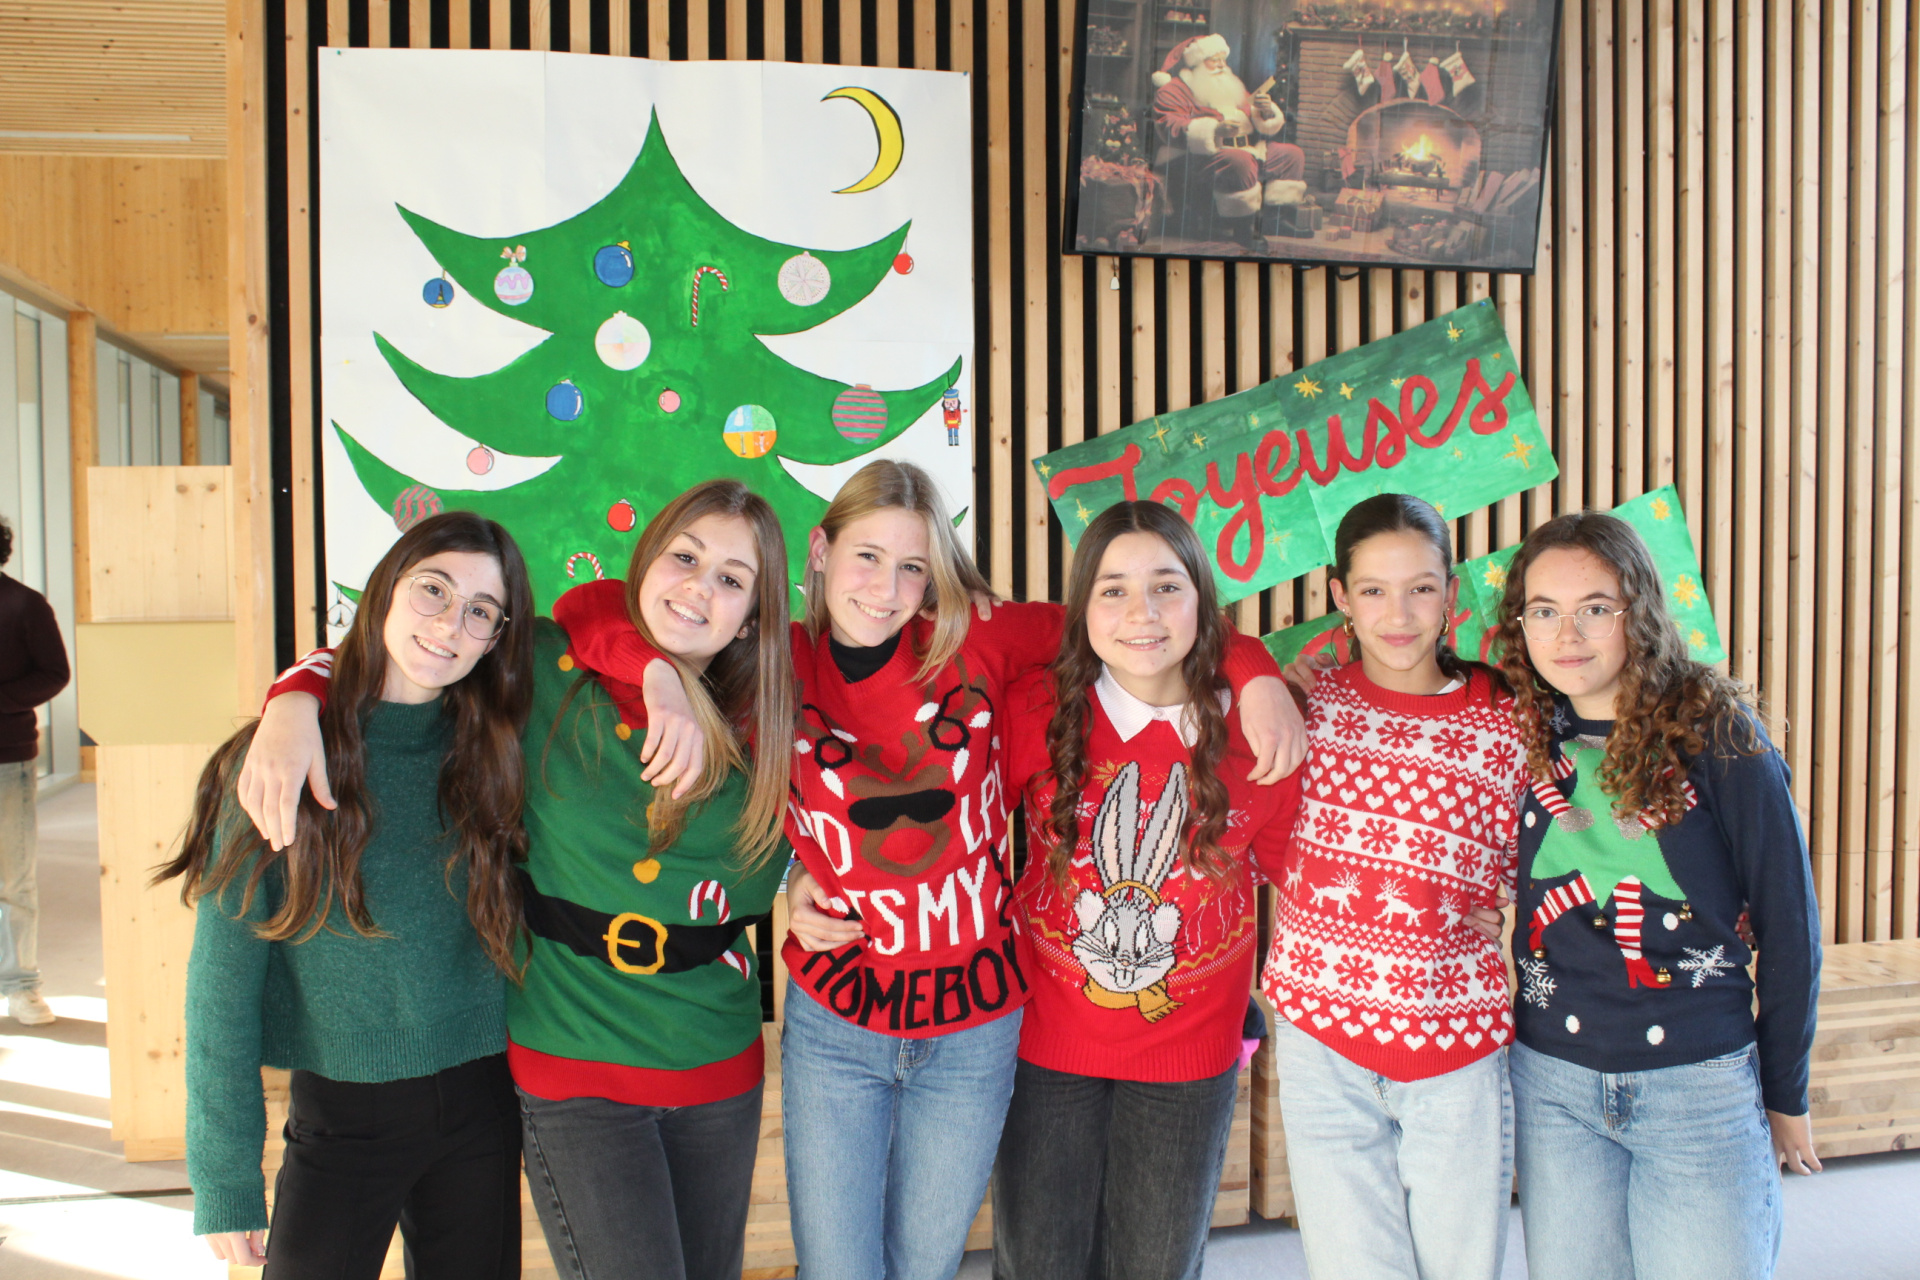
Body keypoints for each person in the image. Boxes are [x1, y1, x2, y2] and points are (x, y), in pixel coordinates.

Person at [555, 459, 1306, 1280]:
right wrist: (660, 674)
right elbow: (587, 608)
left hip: (974, 1028)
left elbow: (1133, 621)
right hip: (839, 1024)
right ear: (820, 551)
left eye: (912, 566)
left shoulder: (973, 639)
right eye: (867, 557)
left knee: (926, 1265)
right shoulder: (771, 664)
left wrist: (1256, 672)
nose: (885, 588)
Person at [239, 480, 797, 1280]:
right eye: (684, 556)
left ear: (752, 615)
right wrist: (295, 696)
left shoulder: (772, 709)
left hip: (718, 1062)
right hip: (576, 1058)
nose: (699, 587)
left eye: (732, 579)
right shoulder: (544, 666)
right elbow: (408, 651)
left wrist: (809, 881)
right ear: (646, 560)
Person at [162, 511, 535, 1277]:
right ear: (385, 588)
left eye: (480, 611)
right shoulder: (279, 760)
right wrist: (225, 1177)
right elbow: (221, 987)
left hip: (485, 1101)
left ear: (497, 638)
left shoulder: (498, 749)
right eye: (433, 589)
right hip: (343, 1112)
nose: (450, 623)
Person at [1492, 511, 1821, 1280]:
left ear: (1638, 609)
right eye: (1544, 611)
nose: (1567, 634)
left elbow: (1790, 924)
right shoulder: (1520, 727)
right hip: (1553, 1085)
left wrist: (1786, 1091)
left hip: (1696, 1087)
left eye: (1594, 608)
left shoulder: (1720, 736)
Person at [991, 501, 1303, 1280]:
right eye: (1114, 590)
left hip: (1188, 1061)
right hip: (1045, 1046)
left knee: (1157, 1265)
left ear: (1202, 599)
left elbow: (1300, 874)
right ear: (1083, 608)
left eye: (1167, 586)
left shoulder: (1261, 733)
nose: (1143, 613)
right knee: (1038, 1263)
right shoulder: (1037, 709)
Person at [1259, 493, 1528, 1280]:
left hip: (1456, 1038)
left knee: (1459, 1267)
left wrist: (1512, 912)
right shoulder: (1304, 709)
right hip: (1322, 1038)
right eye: (1374, 590)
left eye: (1420, 588)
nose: (1399, 614)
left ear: (1451, 592)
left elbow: (1551, 853)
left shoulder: (1508, 720)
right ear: (1340, 596)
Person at [0, 517, 70, 1027]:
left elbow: (54, 673)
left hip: (7, 759)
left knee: (13, 879)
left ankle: (22, 987)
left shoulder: (25, 605)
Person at [1150, 34, 1308, 244]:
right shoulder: (1174, 90)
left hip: (1245, 148)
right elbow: (1169, 127)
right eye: (1214, 60)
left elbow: (1249, 112)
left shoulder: (1229, 85)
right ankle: (1243, 227)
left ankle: (1276, 218)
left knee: (1291, 154)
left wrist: (1265, 111)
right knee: (1239, 160)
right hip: (1197, 157)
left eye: (1223, 59)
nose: (1221, 65)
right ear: (1197, 61)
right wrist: (1215, 130)